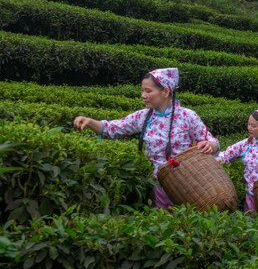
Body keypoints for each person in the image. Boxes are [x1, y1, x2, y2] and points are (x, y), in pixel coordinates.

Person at [73, 68, 218, 209]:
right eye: (142, 90)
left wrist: (210, 145)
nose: (143, 95)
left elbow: (211, 141)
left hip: (188, 185)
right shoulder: (143, 116)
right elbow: (113, 128)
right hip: (158, 186)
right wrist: (90, 121)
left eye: (148, 91)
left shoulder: (188, 116)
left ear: (165, 91)